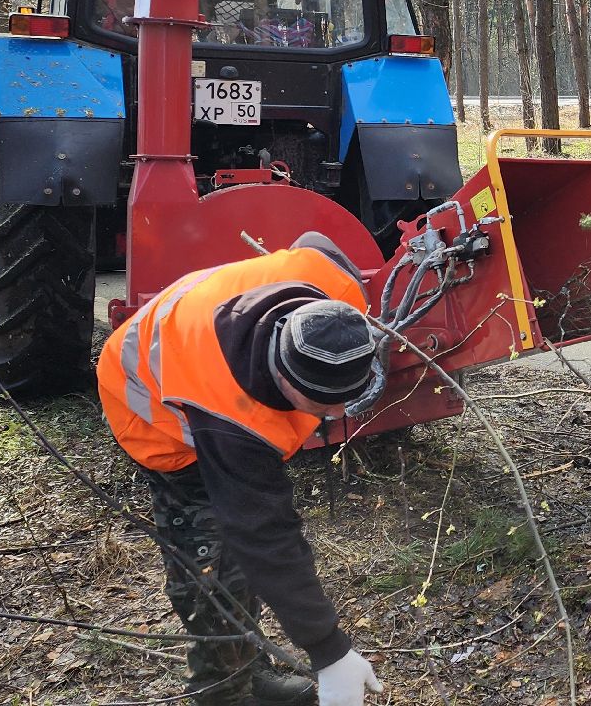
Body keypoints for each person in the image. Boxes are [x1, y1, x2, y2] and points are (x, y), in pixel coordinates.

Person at [97, 232, 387, 706]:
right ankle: (223, 694)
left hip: (197, 333)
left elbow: (314, 242)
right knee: (215, 564)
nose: (334, 416)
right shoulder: (229, 420)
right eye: (322, 407)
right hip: (153, 413)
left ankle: (254, 675)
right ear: (283, 378)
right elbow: (266, 535)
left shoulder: (335, 293)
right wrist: (330, 653)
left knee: (240, 556)